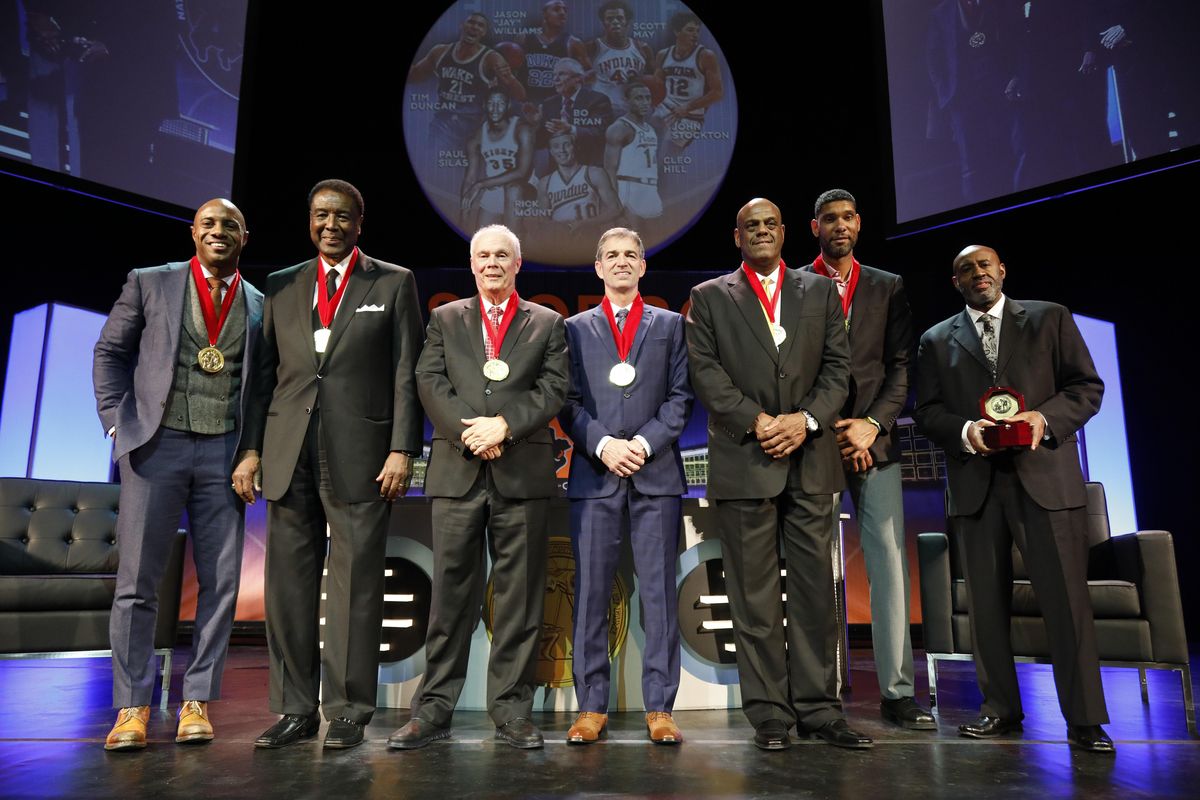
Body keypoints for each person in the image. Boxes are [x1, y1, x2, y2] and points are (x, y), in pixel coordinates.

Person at [240, 179, 424, 750]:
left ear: (359, 223)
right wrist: (250, 450)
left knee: (356, 586)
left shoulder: (393, 282)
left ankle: (348, 710)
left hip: (363, 456)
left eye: (342, 216)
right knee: (287, 587)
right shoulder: (281, 284)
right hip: (286, 448)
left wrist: (401, 448)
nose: (330, 225)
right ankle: (295, 708)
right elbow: (262, 377)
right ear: (309, 220)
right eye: (321, 215)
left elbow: (406, 373)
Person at [686, 198, 871, 750]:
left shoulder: (819, 292)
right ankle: (769, 711)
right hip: (746, 459)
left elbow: (840, 369)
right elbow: (706, 374)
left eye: (770, 224)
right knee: (755, 595)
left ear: (785, 232)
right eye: (751, 226)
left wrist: (808, 419)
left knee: (817, 592)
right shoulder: (710, 297)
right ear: (736, 236)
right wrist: (760, 420)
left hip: (811, 460)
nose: (761, 232)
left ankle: (819, 708)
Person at [913, 244, 1113, 753]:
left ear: (1002, 270)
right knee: (985, 606)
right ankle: (999, 709)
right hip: (977, 486)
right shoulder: (936, 339)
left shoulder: (1050, 319)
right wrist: (965, 429)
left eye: (985, 265)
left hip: (1045, 479)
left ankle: (1086, 720)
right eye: (965, 269)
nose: (977, 273)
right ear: (954, 281)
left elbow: (1086, 387)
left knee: (1067, 603)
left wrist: (1041, 420)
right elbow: (929, 411)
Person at [388, 224, 568, 751]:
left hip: (522, 473)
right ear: (472, 264)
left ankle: (512, 711)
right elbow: (429, 380)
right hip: (458, 470)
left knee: (519, 600)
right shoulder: (445, 318)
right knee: (450, 599)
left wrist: (505, 426)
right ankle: (434, 708)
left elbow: (554, 388)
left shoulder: (547, 322)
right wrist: (473, 430)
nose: (492, 263)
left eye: (502, 256)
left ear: (518, 264)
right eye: (483, 255)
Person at [93, 198, 263, 751]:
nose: (219, 232)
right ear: (194, 233)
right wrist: (116, 420)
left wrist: (252, 451)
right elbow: (110, 352)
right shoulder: (150, 282)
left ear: (245, 237)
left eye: (230, 226)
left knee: (221, 584)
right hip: (155, 446)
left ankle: (197, 700)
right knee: (138, 582)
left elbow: (261, 389)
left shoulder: (259, 304)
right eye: (209, 224)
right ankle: (132, 706)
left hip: (224, 455)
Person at [802, 189, 934, 731]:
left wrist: (870, 425)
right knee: (812, 569)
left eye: (849, 217)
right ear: (815, 227)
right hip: (815, 441)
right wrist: (826, 425)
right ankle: (820, 689)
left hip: (873, 443)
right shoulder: (793, 284)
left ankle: (897, 692)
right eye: (829, 218)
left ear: (859, 223)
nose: (840, 225)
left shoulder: (886, 285)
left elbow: (900, 366)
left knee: (887, 565)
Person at [559, 228, 693, 745]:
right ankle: (591, 707)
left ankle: (659, 707)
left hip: (654, 474)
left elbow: (681, 399)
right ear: (597, 267)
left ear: (643, 267)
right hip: (595, 477)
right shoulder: (572, 329)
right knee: (591, 595)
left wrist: (641, 443)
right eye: (610, 255)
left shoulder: (670, 326)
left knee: (658, 596)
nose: (620, 262)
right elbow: (566, 401)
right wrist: (603, 445)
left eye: (630, 255)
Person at [408, 12, 526, 150]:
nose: (475, 27)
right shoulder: (439, 52)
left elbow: (520, 96)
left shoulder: (492, 58)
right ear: (461, 26)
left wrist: (510, 79)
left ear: (484, 33)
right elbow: (415, 75)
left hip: (474, 130)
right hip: (442, 127)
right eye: (471, 22)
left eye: (480, 25)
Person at [461, 88, 534, 232]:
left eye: (500, 103)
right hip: (493, 189)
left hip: (523, 190)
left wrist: (481, 184)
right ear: (484, 106)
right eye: (491, 103)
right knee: (484, 241)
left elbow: (522, 172)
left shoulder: (522, 129)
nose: (495, 108)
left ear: (508, 106)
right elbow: (470, 178)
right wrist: (463, 211)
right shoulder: (477, 136)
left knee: (513, 189)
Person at [652, 11, 723, 155]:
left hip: (689, 116)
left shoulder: (706, 56)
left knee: (668, 157)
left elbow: (717, 93)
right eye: (690, 30)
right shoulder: (662, 54)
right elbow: (656, 86)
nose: (695, 34)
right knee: (646, 150)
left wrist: (688, 107)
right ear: (677, 31)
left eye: (697, 31)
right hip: (664, 109)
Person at [539, 130, 620, 239]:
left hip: (590, 238)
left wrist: (585, 223)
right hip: (561, 241)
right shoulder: (545, 182)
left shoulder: (594, 173)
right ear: (551, 151)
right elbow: (544, 220)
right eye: (556, 146)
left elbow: (616, 209)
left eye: (566, 145)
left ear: (575, 147)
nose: (562, 150)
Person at [604, 82, 663, 233]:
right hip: (628, 188)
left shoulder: (650, 128)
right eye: (639, 98)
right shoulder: (619, 128)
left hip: (650, 189)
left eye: (647, 98)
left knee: (655, 237)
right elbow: (609, 169)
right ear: (626, 101)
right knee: (633, 240)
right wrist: (616, 205)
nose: (645, 102)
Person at [535, 57, 613, 166]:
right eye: (554, 75)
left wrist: (571, 129)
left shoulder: (597, 100)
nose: (555, 79)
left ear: (578, 78)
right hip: (557, 168)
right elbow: (539, 143)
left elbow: (600, 134)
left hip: (588, 164)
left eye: (561, 74)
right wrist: (536, 124)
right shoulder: (549, 103)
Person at [586, 0, 653, 115]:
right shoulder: (592, 47)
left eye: (620, 18)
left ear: (627, 21)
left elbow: (653, 82)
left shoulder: (643, 49)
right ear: (603, 23)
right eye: (610, 19)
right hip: (604, 111)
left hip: (634, 111)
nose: (615, 22)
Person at [520, 0, 590, 107]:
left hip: (557, 105)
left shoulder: (574, 43)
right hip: (528, 102)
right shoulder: (524, 38)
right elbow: (513, 74)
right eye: (557, 9)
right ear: (544, 14)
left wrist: (573, 84)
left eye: (565, 10)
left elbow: (590, 74)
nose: (562, 13)